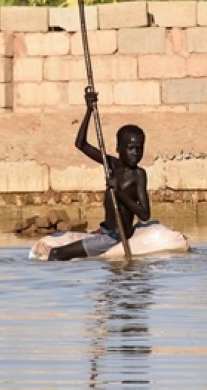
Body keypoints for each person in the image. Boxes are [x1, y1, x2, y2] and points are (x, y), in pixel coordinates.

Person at [48, 87, 150, 261]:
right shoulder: (111, 164)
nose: (135, 153)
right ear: (119, 149)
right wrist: (89, 110)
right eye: (131, 148)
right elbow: (81, 144)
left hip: (115, 237)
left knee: (56, 254)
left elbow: (145, 214)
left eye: (139, 149)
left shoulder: (138, 174)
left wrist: (120, 194)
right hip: (105, 231)